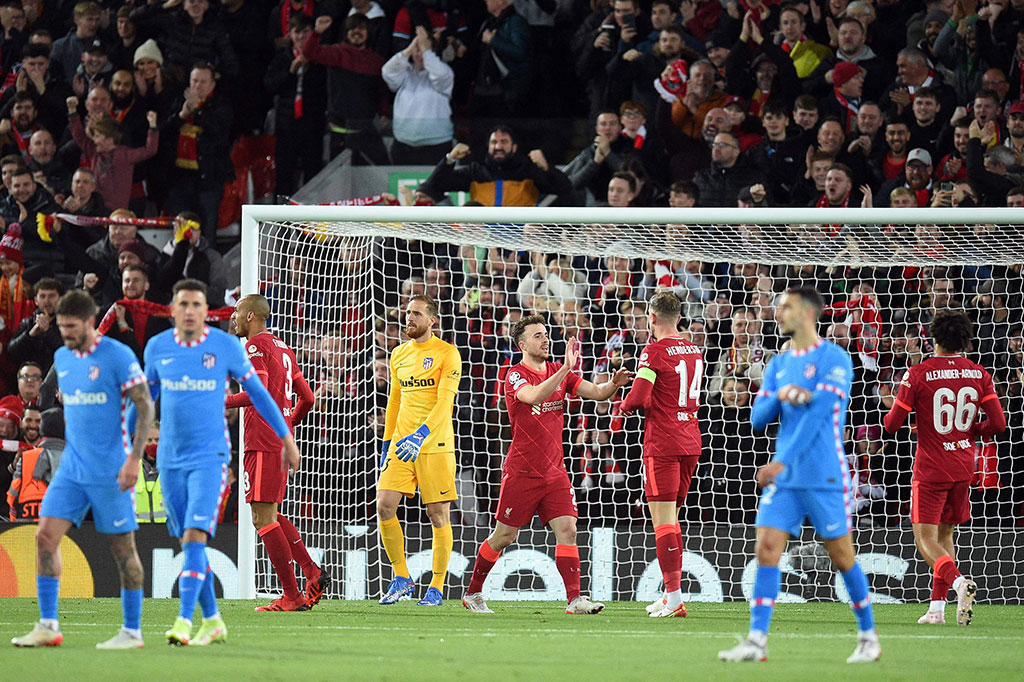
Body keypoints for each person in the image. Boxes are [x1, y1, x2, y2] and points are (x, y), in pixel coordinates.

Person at [718, 287, 880, 664]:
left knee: (842, 556)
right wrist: (780, 394)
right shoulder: (777, 364)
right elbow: (758, 419)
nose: (778, 313)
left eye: (785, 307)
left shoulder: (835, 358)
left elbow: (819, 416)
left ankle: (868, 636)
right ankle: (757, 641)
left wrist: (782, 462)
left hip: (823, 473)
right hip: (787, 479)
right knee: (766, 549)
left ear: (808, 313)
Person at [143, 279, 300, 646]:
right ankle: (213, 619)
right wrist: (131, 450)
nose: (190, 310)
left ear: (203, 311)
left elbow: (260, 394)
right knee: (188, 542)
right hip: (170, 458)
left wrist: (286, 437)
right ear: (173, 309)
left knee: (198, 535)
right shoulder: (157, 348)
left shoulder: (229, 346)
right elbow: (144, 402)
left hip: (211, 455)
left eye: (197, 304)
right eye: (183, 304)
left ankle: (184, 621)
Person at [11, 290, 154, 649]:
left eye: (72, 328)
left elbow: (146, 406)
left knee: (124, 550)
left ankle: (132, 631)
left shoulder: (118, 355)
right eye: (61, 328)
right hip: (72, 468)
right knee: (44, 536)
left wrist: (134, 458)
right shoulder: (62, 357)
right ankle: (47, 625)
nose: (66, 335)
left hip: (111, 470)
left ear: (90, 322)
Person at [462, 315, 630, 615]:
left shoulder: (559, 372)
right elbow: (534, 396)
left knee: (568, 529)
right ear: (522, 344)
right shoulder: (515, 375)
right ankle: (473, 592)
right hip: (523, 471)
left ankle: (575, 600)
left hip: (555, 471)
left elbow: (597, 392)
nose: (545, 339)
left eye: (546, 334)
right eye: (538, 335)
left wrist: (613, 386)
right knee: (505, 536)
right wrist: (566, 368)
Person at [883, 309, 1006, 626]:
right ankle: (936, 610)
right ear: (964, 340)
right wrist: (972, 432)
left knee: (925, 540)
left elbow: (892, 425)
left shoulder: (919, 373)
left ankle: (958, 582)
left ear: (934, 337)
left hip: (932, 467)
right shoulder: (979, 374)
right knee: (945, 534)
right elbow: (999, 423)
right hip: (964, 464)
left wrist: (893, 408)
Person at [227, 293, 326, 612]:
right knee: (268, 513)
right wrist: (288, 425)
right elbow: (308, 398)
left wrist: (220, 402)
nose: (234, 317)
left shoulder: (254, 347)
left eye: (238, 312)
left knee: (261, 517)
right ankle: (311, 571)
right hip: (277, 438)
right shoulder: (283, 347)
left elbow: (257, 391)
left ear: (252, 316)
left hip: (261, 439)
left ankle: (293, 596)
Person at [618, 292, 703, 618]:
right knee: (672, 520)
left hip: (663, 444)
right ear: (678, 317)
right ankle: (671, 594)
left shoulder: (653, 352)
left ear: (652, 318)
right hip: (690, 441)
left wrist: (621, 405)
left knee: (663, 522)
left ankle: (674, 597)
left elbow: (638, 397)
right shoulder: (694, 350)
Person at [377, 294, 462, 606]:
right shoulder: (398, 354)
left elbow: (444, 402)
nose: (408, 318)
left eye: (415, 314)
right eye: (406, 313)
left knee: (437, 513)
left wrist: (422, 433)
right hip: (401, 444)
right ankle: (401, 577)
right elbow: (395, 401)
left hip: (435, 444)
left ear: (432, 320)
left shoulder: (447, 354)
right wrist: (388, 444)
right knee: (385, 505)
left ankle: (437, 587)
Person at [6, 406, 63, 521]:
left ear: (42, 429)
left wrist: (14, 521)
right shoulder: (75, 461)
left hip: (27, 525)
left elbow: (12, 495)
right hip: (63, 529)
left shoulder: (26, 457)